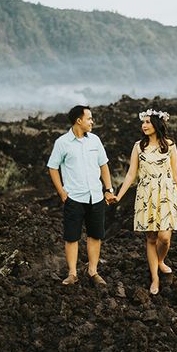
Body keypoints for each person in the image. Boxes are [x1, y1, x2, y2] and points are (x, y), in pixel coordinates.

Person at [115, 109, 177, 295]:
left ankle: (160, 260)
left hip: (167, 193)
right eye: (143, 122)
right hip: (146, 194)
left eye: (148, 122)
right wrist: (119, 196)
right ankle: (155, 277)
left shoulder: (170, 145)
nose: (144, 125)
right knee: (151, 238)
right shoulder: (138, 146)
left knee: (164, 238)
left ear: (157, 125)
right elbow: (131, 174)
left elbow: (176, 174)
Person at [47, 105, 117, 286]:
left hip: (96, 196)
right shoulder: (62, 143)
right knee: (72, 237)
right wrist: (62, 192)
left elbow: (104, 166)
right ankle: (72, 274)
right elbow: (52, 167)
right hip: (74, 198)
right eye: (89, 118)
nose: (92, 122)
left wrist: (108, 189)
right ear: (79, 120)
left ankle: (93, 271)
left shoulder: (95, 140)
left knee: (95, 235)